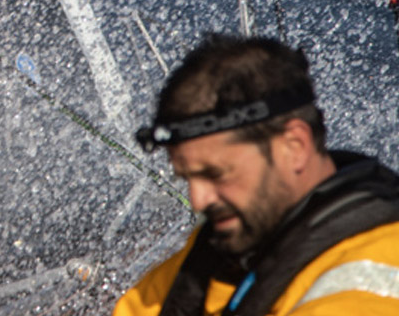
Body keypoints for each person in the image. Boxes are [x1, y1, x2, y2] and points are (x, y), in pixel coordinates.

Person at [114, 33, 399, 316]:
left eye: (216, 174)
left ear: (295, 147)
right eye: (186, 178)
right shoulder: (223, 250)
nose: (198, 200)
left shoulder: (364, 285)